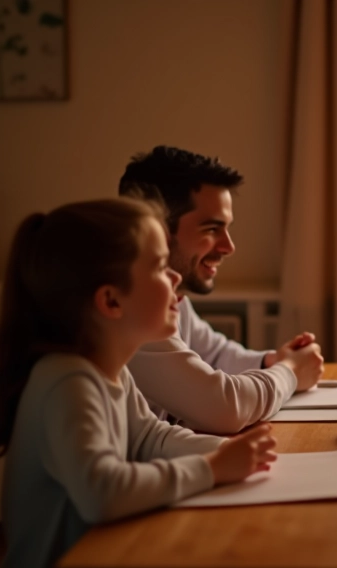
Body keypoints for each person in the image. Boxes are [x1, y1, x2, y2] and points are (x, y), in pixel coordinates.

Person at [0, 199, 278, 568]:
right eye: (159, 267)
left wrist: (229, 451)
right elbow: (102, 492)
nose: (176, 278)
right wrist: (213, 468)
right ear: (111, 300)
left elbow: (151, 438)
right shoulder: (68, 381)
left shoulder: (107, 370)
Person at [118, 146, 324, 434]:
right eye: (212, 229)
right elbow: (224, 408)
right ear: (155, 229)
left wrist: (272, 361)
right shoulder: (130, 309)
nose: (229, 247)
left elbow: (212, 354)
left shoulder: (172, 294)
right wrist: (289, 372)